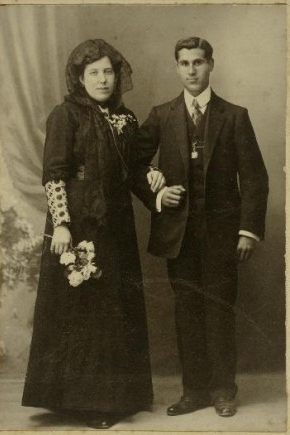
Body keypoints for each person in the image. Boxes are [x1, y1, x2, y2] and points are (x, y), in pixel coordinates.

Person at [21, 39, 165, 429]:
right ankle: (87, 405)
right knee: (85, 312)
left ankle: (117, 397)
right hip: (79, 226)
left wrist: (156, 189)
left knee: (114, 310)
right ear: (80, 78)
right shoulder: (65, 116)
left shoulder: (125, 118)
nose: (103, 79)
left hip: (116, 229)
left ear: (117, 76)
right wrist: (62, 224)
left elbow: (133, 171)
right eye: (94, 73)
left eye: (108, 71)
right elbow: (54, 173)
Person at [133, 37, 269, 418]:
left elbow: (255, 178)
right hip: (179, 237)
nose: (191, 70)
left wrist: (247, 230)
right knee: (187, 313)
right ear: (176, 67)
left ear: (211, 65)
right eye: (184, 63)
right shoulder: (162, 114)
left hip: (224, 236)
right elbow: (132, 162)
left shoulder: (235, 115)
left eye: (198, 62)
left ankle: (224, 389)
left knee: (220, 311)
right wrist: (158, 191)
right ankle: (194, 391)